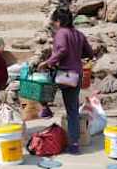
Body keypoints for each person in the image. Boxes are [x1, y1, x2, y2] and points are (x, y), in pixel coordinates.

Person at [38, 8, 93, 154]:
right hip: (76, 76)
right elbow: (89, 52)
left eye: (55, 22)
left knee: (40, 83)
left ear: (59, 21)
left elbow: (62, 50)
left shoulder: (62, 33)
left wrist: (48, 62)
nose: (54, 25)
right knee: (72, 110)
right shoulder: (79, 34)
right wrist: (76, 54)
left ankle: (45, 109)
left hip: (64, 75)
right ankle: (74, 144)